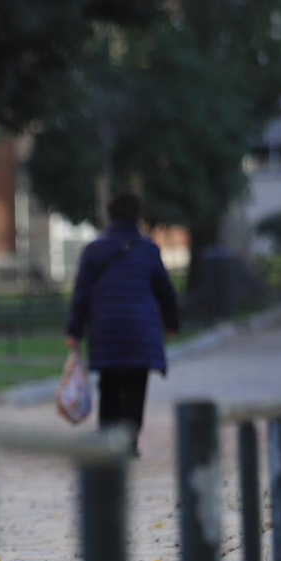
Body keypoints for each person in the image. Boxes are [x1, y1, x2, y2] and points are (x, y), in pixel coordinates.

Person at [64, 192, 180, 455]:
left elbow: (81, 295)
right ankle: (130, 441)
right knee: (136, 387)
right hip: (141, 332)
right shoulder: (149, 250)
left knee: (110, 386)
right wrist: (172, 323)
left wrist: (74, 331)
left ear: (110, 215)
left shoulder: (93, 251)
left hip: (106, 331)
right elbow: (166, 291)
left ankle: (110, 443)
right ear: (137, 215)